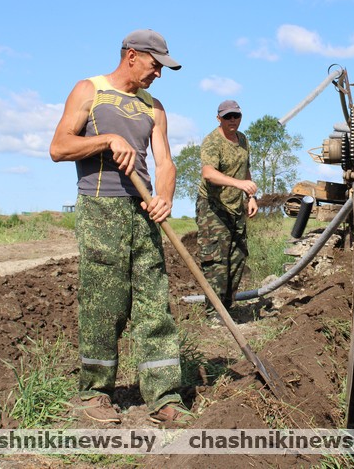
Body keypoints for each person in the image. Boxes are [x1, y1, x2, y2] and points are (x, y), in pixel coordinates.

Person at [49, 29, 187, 426]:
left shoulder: (154, 107)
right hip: (101, 208)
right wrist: (107, 139)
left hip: (143, 213)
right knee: (102, 303)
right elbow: (59, 147)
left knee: (153, 301)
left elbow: (166, 162)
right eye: (155, 64)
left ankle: (163, 396)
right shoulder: (89, 90)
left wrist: (163, 199)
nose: (158, 73)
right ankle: (95, 392)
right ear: (132, 55)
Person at [196, 99, 258, 311]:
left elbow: (245, 169)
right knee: (217, 262)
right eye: (227, 117)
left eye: (236, 116)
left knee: (237, 257)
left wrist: (250, 197)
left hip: (236, 207)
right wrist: (239, 184)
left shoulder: (243, 140)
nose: (232, 120)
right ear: (219, 118)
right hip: (213, 208)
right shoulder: (212, 142)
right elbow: (209, 173)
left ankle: (228, 309)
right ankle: (214, 312)